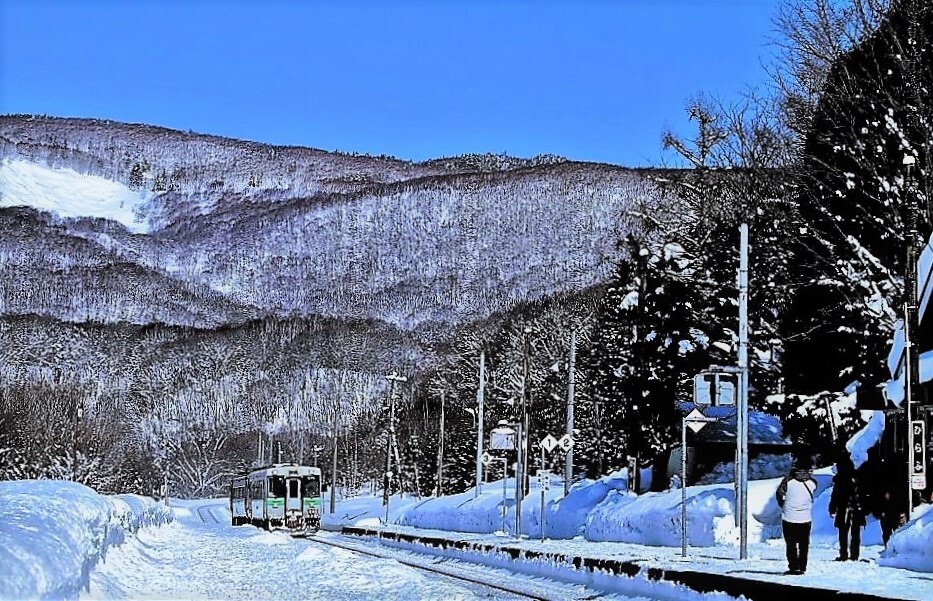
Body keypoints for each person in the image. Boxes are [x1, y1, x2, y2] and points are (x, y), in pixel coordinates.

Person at [776, 457, 818, 575]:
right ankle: (802, 566)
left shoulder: (787, 482)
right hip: (805, 518)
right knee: (804, 545)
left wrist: (784, 505)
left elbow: (779, 495)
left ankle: (794, 567)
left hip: (789, 517)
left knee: (791, 544)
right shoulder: (813, 483)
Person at [829, 451, 868, 561]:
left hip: (843, 507)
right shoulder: (857, 477)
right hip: (857, 507)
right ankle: (854, 554)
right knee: (855, 532)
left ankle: (843, 554)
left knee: (843, 532)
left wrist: (832, 508)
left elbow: (835, 495)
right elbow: (862, 492)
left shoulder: (840, 478)